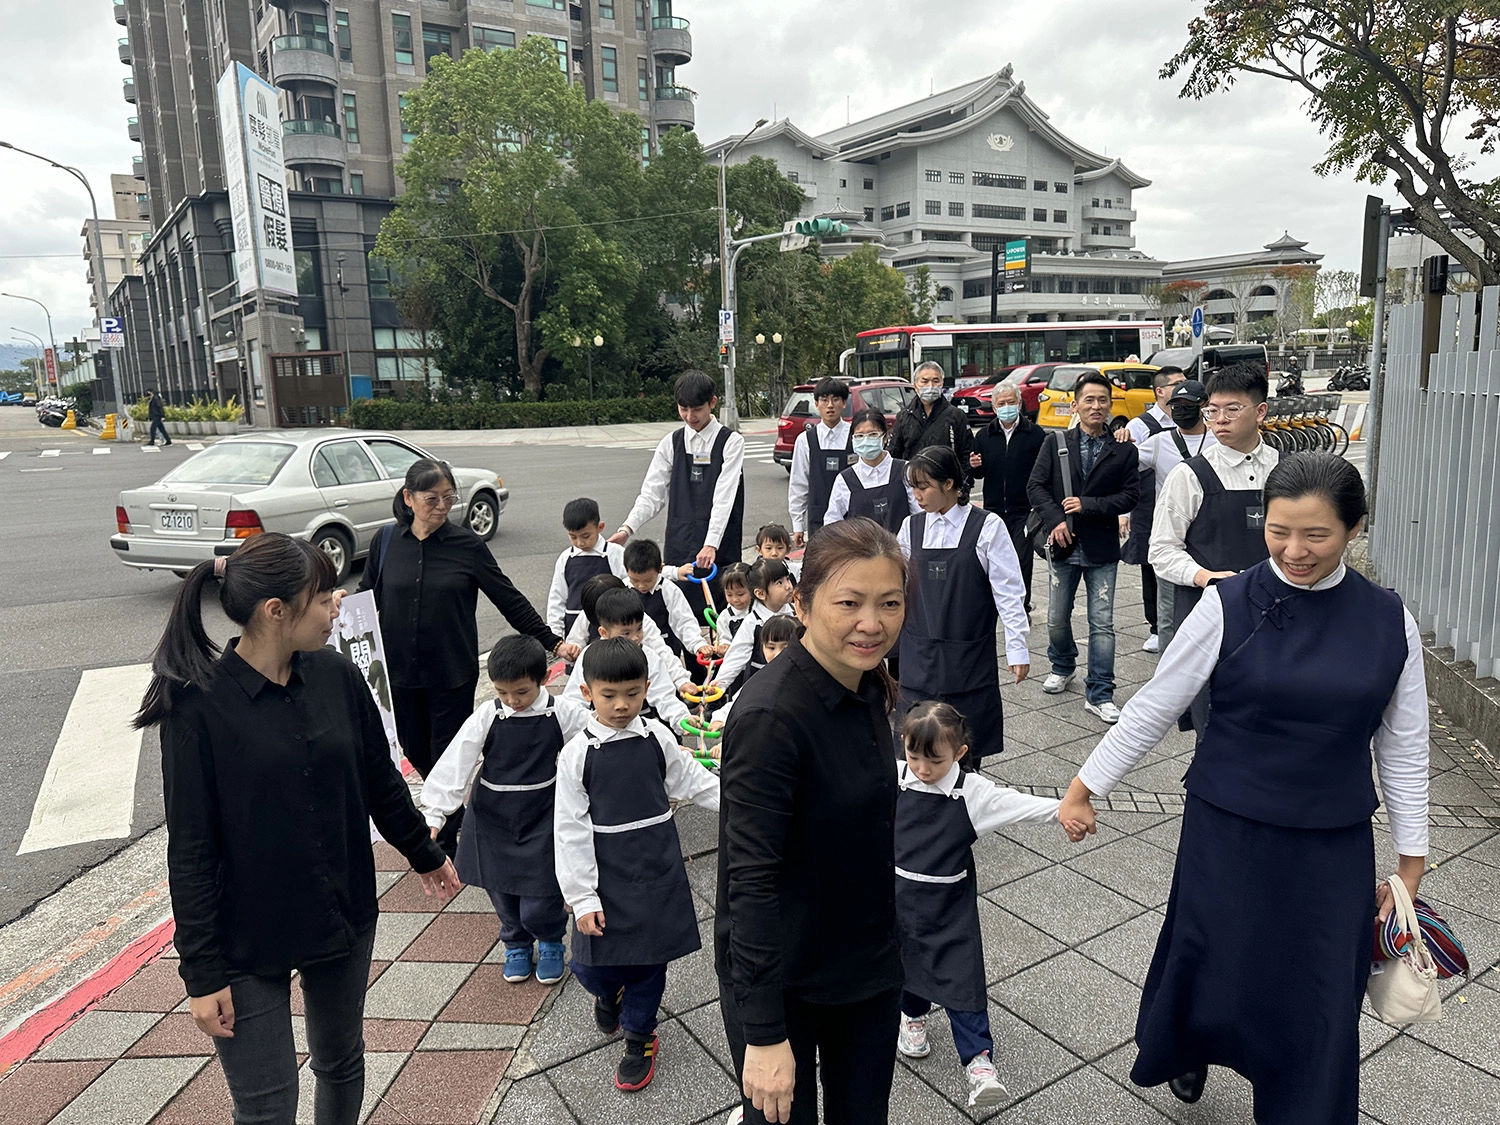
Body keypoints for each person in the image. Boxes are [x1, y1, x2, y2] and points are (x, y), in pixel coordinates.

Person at [1060, 454, 1429, 1125]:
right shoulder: (1231, 602)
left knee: (1319, 992)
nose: (1294, 550)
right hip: (1227, 830)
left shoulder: (1387, 620)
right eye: (1279, 530)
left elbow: (1403, 745)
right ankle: (1194, 1045)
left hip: (1331, 840)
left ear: (1353, 528)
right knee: (1217, 964)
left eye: (1315, 534)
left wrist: (1412, 861)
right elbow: (1154, 702)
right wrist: (1085, 785)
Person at [138, 533, 461, 1125]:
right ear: (276, 611)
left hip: (340, 908)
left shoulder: (336, 673)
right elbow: (189, 851)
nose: (337, 603)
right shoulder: (197, 708)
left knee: (341, 1062)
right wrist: (201, 973)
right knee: (267, 1104)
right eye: (321, 596)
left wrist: (423, 850)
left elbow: (378, 777)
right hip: (247, 932)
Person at [716, 518, 908, 1125]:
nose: (871, 623)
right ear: (801, 603)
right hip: (786, 980)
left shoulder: (867, 682)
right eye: (849, 603)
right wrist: (765, 1033)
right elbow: (749, 878)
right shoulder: (772, 716)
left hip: (865, 964)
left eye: (890, 603)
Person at [358, 458, 578, 856]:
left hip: (451, 671)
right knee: (413, 748)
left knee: (448, 751)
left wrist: (553, 642)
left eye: (448, 498)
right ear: (408, 498)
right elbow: (367, 595)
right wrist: (339, 605)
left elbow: (507, 597)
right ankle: (454, 814)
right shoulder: (385, 541)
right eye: (432, 499)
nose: (442, 506)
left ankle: (445, 836)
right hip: (398, 673)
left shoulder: (467, 546)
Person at [554, 637, 721, 1093]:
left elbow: (690, 781)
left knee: (650, 961)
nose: (622, 704)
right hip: (605, 873)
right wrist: (581, 895)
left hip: (658, 867)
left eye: (633, 693)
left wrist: (739, 805)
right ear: (587, 692)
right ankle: (609, 991)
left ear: (647, 687)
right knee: (589, 965)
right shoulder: (577, 755)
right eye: (609, 695)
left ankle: (640, 1035)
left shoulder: (657, 737)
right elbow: (569, 828)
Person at [894, 702, 1081, 1108]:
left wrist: (1064, 811)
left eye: (934, 760)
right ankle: (912, 1018)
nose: (922, 769)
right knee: (905, 964)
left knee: (962, 978)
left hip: (949, 908)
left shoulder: (971, 792)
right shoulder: (896, 776)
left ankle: (980, 1064)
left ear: (960, 754)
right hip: (897, 899)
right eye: (913, 756)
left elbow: (1017, 805)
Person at [420, 636, 590, 987]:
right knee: (501, 891)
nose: (512, 701)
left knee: (542, 893)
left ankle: (551, 939)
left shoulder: (561, 712)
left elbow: (594, 740)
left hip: (543, 816)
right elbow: (458, 760)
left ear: (543, 679)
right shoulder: (489, 714)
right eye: (503, 692)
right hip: (492, 818)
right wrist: (434, 814)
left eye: (521, 692)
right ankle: (515, 942)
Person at [1148, 364, 1279, 733]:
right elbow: (1161, 550)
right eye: (1213, 411)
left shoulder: (1286, 471)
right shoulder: (1189, 475)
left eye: (1232, 409)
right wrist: (1206, 577)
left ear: (1261, 411)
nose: (1219, 420)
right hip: (1212, 620)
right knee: (1216, 731)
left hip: (1279, 618)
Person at [897, 446, 1029, 764]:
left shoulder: (987, 527)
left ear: (950, 483)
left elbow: (1009, 592)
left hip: (968, 654)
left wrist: (1018, 647)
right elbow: (892, 586)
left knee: (963, 743)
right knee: (916, 741)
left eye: (924, 486)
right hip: (918, 653)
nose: (916, 495)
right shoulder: (910, 528)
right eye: (913, 487)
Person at [1026, 371, 1139, 724]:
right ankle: (1063, 664)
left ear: (1110, 405)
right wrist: (1055, 518)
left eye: (1102, 400)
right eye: (1088, 400)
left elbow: (1130, 495)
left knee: (1102, 623)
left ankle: (1101, 691)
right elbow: (1036, 486)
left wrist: (1088, 504)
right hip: (1063, 544)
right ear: (1075, 404)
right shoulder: (1056, 441)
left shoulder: (1123, 448)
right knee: (1057, 618)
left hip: (1102, 547)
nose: (1096, 406)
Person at [611, 370, 747, 617]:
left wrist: (710, 543)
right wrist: (627, 529)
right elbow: (652, 494)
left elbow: (724, 497)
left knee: (722, 617)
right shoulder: (671, 443)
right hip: (680, 540)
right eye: (683, 409)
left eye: (696, 409)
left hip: (718, 546)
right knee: (680, 615)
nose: (689, 416)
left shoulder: (731, 442)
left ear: (712, 402)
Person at [1132, 380, 1216, 652]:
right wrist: (1119, 440)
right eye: (1175, 405)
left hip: (1211, 535)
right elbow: (1123, 467)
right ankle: (1167, 671)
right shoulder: (1158, 443)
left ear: (1203, 406)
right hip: (1173, 537)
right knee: (1167, 612)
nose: (1181, 410)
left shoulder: (1219, 439)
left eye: (1188, 405)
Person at [1118, 367, 1186, 652]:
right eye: (1178, 384)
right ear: (1160, 390)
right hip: (1149, 506)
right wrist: (1123, 513)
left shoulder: (1192, 418)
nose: (1184, 388)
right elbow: (1125, 468)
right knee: (1151, 565)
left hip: (1187, 507)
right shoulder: (1141, 425)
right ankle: (1157, 626)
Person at [561, 586, 691, 731]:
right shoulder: (590, 656)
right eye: (626, 633)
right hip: (602, 731)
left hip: (641, 729)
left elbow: (664, 695)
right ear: (604, 632)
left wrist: (682, 719)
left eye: (639, 629)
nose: (636, 637)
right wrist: (592, 725)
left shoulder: (648, 655)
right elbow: (573, 700)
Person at [968, 382, 1046, 613]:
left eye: (1011, 402)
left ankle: (1021, 606)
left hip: (1024, 509)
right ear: (993, 407)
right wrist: (973, 466)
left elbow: (1042, 471)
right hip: (993, 508)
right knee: (993, 559)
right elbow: (977, 472)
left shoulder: (1035, 434)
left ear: (1020, 404)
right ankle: (995, 604)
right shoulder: (984, 435)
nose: (1007, 407)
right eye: (1001, 403)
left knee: (1021, 560)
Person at [824, 407, 920, 534]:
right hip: (862, 552)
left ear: (885, 437)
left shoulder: (906, 471)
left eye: (873, 434)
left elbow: (920, 514)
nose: (865, 440)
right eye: (859, 436)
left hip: (904, 551)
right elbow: (833, 522)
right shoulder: (845, 480)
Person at [712, 557, 796, 696]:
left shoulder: (796, 613)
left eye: (787, 579)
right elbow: (737, 653)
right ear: (760, 593)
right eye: (779, 583)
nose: (788, 586)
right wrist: (721, 683)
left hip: (792, 680)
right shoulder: (753, 621)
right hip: (760, 683)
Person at [546, 497, 627, 638]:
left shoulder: (615, 553)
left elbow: (627, 589)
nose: (580, 542)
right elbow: (557, 598)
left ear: (600, 527)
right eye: (573, 537)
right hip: (573, 628)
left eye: (586, 536)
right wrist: (556, 633)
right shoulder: (565, 558)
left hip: (609, 626)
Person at [788, 377, 854, 546]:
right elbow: (798, 483)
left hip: (853, 519)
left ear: (844, 403)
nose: (830, 405)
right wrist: (798, 525)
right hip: (818, 518)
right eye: (824, 400)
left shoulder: (855, 436)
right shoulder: (805, 440)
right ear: (816, 404)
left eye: (836, 399)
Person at [623, 538, 705, 661]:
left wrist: (697, 644)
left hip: (665, 652)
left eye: (648, 580)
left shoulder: (668, 590)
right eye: (635, 580)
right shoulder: (622, 589)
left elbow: (684, 621)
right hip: (630, 653)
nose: (641, 586)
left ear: (660, 569)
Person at [888, 360, 972, 479]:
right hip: (913, 485)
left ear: (942, 383)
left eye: (935, 381)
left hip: (945, 485)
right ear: (915, 385)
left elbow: (966, 455)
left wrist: (963, 487)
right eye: (925, 381)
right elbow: (894, 454)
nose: (930, 386)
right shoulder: (904, 417)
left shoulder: (956, 416)